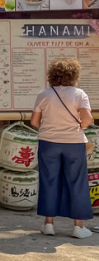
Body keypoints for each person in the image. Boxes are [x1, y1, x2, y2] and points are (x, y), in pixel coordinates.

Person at [30, 58, 94, 238]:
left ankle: (48, 224)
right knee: (77, 182)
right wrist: (76, 128)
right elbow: (87, 119)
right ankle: (78, 228)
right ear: (74, 75)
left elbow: (35, 122)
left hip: (48, 143)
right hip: (74, 143)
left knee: (49, 180)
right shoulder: (80, 94)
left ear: (53, 75)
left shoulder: (44, 94)